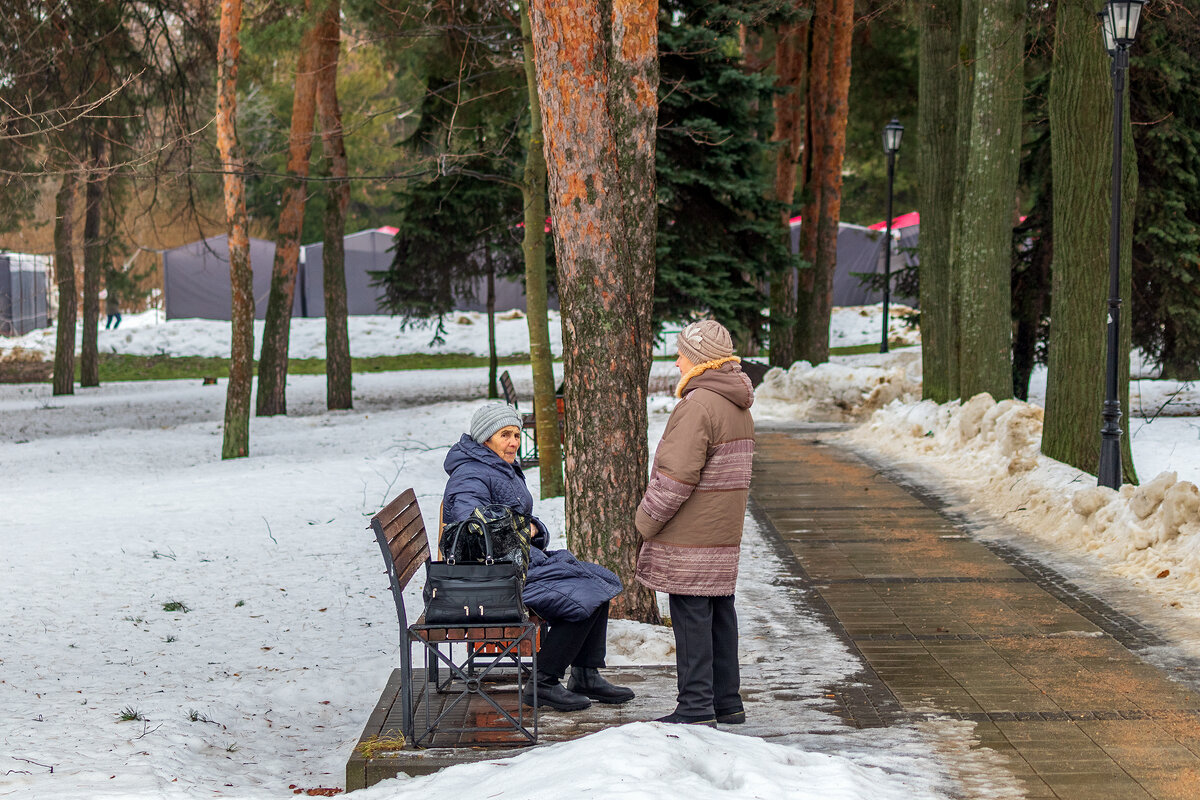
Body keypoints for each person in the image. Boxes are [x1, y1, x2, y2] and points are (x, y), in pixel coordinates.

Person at [442, 402, 636, 712]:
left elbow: (515, 519)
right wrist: (523, 528)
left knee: (601, 581)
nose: (513, 442)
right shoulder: (469, 476)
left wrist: (530, 529)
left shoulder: (495, 466)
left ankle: (585, 674)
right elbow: (471, 527)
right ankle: (543, 681)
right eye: (504, 434)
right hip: (492, 578)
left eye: (517, 435)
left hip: (516, 563)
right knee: (582, 596)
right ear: (484, 438)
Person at [635, 319, 755, 726]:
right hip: (722, 530)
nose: (676, 362)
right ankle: (727, 701)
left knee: (690, 618)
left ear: (701, 360)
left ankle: (695, 706)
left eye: (682, 354)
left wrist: (646, 520)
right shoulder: (736, 405)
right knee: (720, 615)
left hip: (691, 534)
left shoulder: (698, 406)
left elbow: (675, 476)